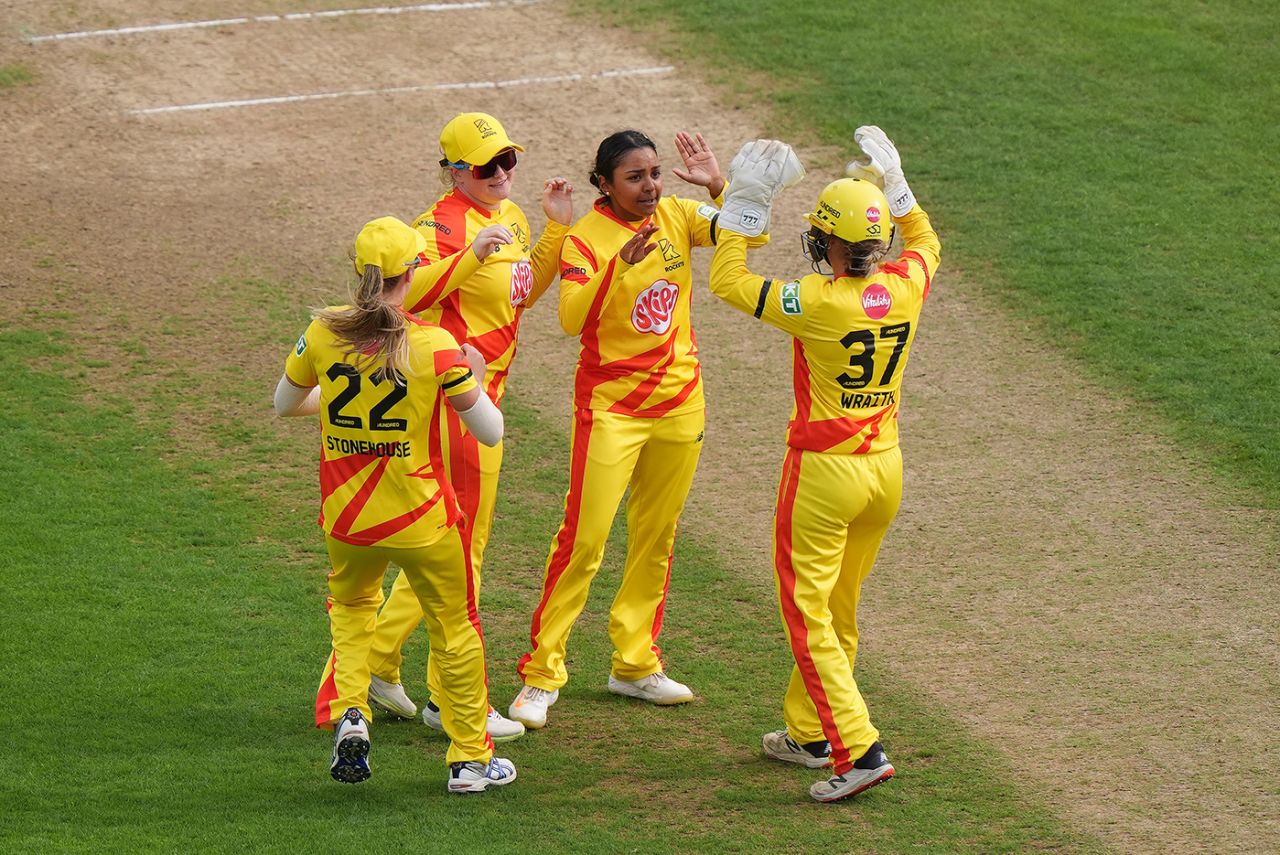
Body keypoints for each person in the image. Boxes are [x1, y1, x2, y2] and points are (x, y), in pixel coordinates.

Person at [707, 129, 940, 803]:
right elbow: (927, 243)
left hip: (824, 476)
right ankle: (810, 733)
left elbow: (728, 279)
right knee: (840, 610)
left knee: (808, 616)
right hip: (884, 471)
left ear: (828, 244)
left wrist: (746, 206)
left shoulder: (815, 300)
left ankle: (859, 748)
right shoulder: (906, 284)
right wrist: (897, 188)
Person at [274, 215, 516, 793]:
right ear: (412, 273)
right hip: (422, 520)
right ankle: (468, 761)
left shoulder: (321, 334)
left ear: (359, 272)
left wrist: (335, 403)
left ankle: (352, 714)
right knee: (455, 629)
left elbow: (286, 404)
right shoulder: (435, 346)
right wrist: (474, 379)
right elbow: (489, 431)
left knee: (353, 614)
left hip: (347, 519)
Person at [361, 113, 573, 743]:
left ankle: (375, 662)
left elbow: (521, 292)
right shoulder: (436, 226)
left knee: (455, 545)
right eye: (486, 166)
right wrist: (466, 260)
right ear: (453, 169)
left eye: (508, 159)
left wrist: (556, 229)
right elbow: (404, 298)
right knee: (461, 551)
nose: (502, 173)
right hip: (457, 399)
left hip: (489, 389)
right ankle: (448, 700)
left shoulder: (510, 217)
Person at [507, 129, 725, 729]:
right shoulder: (585, 239)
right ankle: (540, 674)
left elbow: (745, 232)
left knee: (657, 536)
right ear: (603, 182)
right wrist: (617, 270)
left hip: (681, 404)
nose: (650, 186)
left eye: (654, 173)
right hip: (612, 411)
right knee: (584, 540)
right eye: (634, 177)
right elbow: (572, 318)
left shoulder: (680, 214)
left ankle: (634, 663)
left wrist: (718, 185)